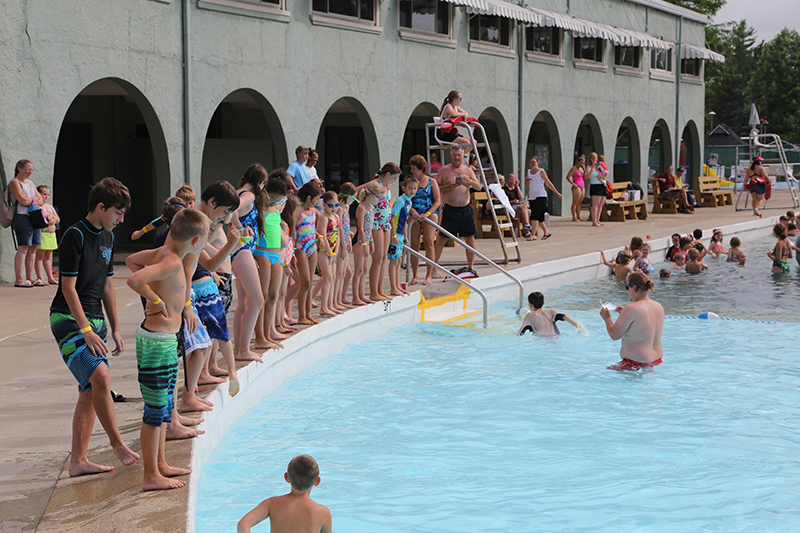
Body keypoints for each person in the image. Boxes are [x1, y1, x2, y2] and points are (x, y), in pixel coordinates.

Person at [49, 177, 139, 476]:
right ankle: (116, 442)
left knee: (90, 389)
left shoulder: (108, 238)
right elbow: (69, 288)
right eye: (117, 212)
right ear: (100, 207)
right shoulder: (75, 235)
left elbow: (108, 285)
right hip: (68, 319)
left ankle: (78, 461)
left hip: (96, 320)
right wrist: (86, 330)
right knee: (101, 377)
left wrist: (114, 327)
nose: (121, 219)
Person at [126, 209, 210, 491]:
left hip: (163, 338)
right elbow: (134, 279)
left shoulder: (164, 254)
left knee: (164, 407)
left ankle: (160, 464)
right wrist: (155, 298)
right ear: (196, 241)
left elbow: (130, 260)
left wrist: (154, 288)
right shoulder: (172, 262)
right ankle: (150, 475)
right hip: (157, 341)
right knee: (154, 410)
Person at [237, 454, 332, 533]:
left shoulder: (271, 503)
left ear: (287, 477)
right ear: (317, 481)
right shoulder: (322, 512)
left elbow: (243, 524)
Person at [231, 164, 267, 362]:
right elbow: (232, 212)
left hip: (242, 252)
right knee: (257, 300)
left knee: (245, 303)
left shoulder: (239, 191)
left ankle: (240, 349)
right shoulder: (250, 195)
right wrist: (242, 231)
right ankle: (243, 349)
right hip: (242, 250)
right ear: (260, 182)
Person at [601, 272, 664, 371]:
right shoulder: (658, 306)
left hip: (635, 363)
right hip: (656, 360)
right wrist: (623, 315)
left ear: (634, 287)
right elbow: (641, 326)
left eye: (627, 287)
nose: (627, 291)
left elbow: (614, 335)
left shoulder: (631, 308)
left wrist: (607, 318)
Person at [254, 173, 289, 349]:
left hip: (276, 255)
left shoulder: (275, 209)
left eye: (278, 201)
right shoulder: (257, 207)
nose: (275, 203)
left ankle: (267, 334)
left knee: (274, 295)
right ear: (265, 192)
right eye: (273, 199)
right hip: (262, 253)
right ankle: (260, 337)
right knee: (263, 295)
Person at [434, 145, 482, 270]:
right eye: (454, 155)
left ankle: (471, 267)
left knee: (470, 239)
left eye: (459, 155)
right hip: (449, 208)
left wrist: (470, 182)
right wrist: (447, 187)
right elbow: (435, 189)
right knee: (442, 239)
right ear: (450, 156)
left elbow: (479, 187)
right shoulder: (444, 171)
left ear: (463, 156)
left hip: (465, 209)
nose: (457, 158)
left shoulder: (468, 171)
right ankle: (433, 268)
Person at [361, 163, 401, 301]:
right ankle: (373, 292)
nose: (395, 181)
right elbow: (357, 191)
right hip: (376, 223)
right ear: (388, 174)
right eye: (394, 177)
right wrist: (364, 209)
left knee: (384, 258)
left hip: (386, 223)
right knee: (377, 258)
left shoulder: (387, 186)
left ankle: (380, 290)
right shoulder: (375, 183)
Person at [9, 159, 45, 287]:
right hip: (22, 216)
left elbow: (41, 200)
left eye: (31, 169)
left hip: (34, 216)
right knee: (23, 247)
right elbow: (22, 201)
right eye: (27, 169)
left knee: (33, 247)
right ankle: (19, 279)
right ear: (19, 168)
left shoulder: (30, 183)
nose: (30, 172)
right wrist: (34, 199)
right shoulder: (15, 182)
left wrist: (31, 199)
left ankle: (30, 278)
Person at [407, 155, 442, 285]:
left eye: (414, 168)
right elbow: (407, 199)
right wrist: (413, 212)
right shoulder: (411, 182)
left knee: (429, 244)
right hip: (414, 214)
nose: (412, 171)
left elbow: (437, 201)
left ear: (422, 168)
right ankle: (415, 275)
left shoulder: (431, 181)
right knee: (414, 245)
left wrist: (427, 213)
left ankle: (428, 275)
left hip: (429, 214)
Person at [351, 182, 384, 306]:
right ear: (372, 195)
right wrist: (364, 244)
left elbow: (369, 228)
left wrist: (371, 242)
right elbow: (360, 228)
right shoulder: (362, 207)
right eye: (379, 197)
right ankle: (355, 297)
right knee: (359, 269)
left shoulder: (372, 208)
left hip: (366, 240)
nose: (379, 200)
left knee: (365, 269)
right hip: (359, 241)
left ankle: (362, 295)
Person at [295, 181, 322, 324]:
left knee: (310, 282)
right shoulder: (297, 211)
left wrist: (319, 236)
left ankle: (308, 314)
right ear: (309, 198)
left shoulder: (313, 212)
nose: (318, 202)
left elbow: (311, 228)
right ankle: (301, 316)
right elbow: (293, 232)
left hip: (312, 247)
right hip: (300, 248)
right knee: (305, 283)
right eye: (317, 199)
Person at [388, 175, 418, 296]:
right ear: (404, 188)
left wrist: (405, 236)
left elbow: (404, 221)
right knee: (394, 261)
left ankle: (397, 286)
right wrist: (393, 235)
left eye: (415, 188)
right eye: (410, 188)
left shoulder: (409, 202)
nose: (412, 190)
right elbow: (392, 218)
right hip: (395, 235)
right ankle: (393, 287)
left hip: (400, 234)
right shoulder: (401, 200)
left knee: (398, 260)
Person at [315, 190, 342, 316]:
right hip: (323, 251)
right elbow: (323, 237)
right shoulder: (324, 218)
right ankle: (324, 307)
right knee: (328, 277)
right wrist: (330, 253)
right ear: (324, 205)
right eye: (331, 205)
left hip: (332, 252)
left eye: (336, 205)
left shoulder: (336, 217)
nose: (334, 208)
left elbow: (338, 237)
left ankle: (330, 305)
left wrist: (336, 252)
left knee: (333, 278)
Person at [35, 185, 60, 285]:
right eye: (44, 194)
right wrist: (46, 219)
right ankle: (40, 277)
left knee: (48, 257)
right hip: (42, 234)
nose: (46, 197)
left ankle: (50, 277)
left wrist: (53, 218)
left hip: (51, 234)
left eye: (48, 195)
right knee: (40, 256)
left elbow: (58, 219)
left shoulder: (50, 207)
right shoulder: (37, 207)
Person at [502, 173, 533, 239]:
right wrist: (512, 202)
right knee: (524, 207)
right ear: (508, 180)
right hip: (510, 206)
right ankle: (526, 227)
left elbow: (521, 196)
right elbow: (504, 201)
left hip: (517, 207)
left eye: (513, 180)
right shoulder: (504, 189)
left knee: (529, 211)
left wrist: (517, 186)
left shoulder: (515, 188)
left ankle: (526, 231)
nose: (512, 182)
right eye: (510, 180)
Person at [586, 152, 609, 227]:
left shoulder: (599, 166)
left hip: (602, 185)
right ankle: (594, 221)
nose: (594, 160)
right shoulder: (589, 167)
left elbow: (604, 174)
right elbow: (588, 176)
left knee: (601, 204)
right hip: (595, 186)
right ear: (590, 159)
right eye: (592, 158)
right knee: (595, 204)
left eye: (595, 158)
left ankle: (598, 220)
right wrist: (593, 167)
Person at [566, 156, 586, 222]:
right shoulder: (574, 169)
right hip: (576, 186)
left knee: (579, 203)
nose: (581, 164)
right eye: (580, 163)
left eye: (583, 163)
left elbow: (585, 177)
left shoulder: (582, 169)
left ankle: (579, 216)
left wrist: (584, 170)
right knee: (575, 203)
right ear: (577, 162)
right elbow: (568, 177)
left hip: (582, 185)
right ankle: (574, 217)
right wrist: (573, 184)